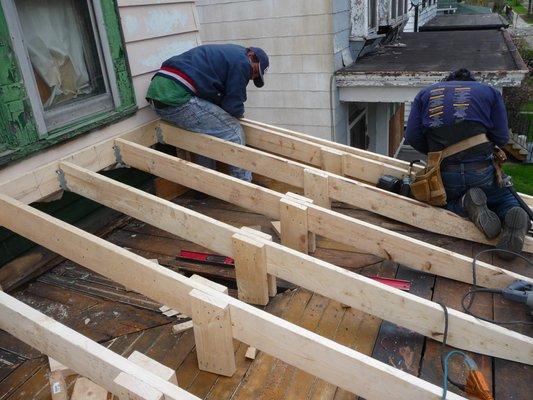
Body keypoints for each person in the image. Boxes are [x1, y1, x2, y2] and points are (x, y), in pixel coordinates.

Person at [405, 68, 530, 257]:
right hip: (481, 171)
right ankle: (511, 211)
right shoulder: (489, 92)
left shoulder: (425, 93)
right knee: (503, 197)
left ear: (447, 80)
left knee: (440, 202)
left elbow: (413, 136)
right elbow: (502, 137)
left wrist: (436, 154)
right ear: (472, 81)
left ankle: (464, 204)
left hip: (446, 176)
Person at [146, 44, 269, 182]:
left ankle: (205, 184)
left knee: (210, 130)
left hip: (160, 92)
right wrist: (237, 116)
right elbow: (233, 106)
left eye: (255, 77)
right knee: (234, 132)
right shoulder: (242, 63)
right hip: (175, 96)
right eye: (255, 71)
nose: (252, 76)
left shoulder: (230, 53)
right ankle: (245, 186)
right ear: (251, 56)